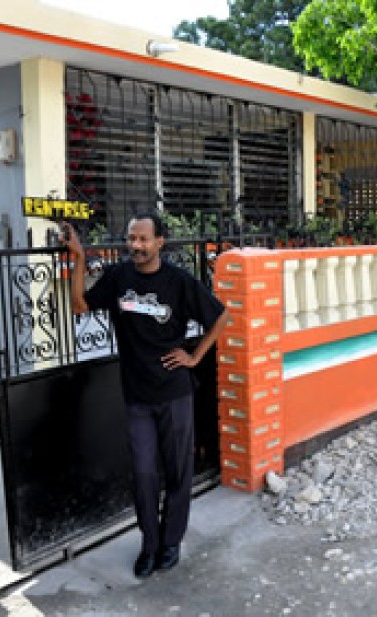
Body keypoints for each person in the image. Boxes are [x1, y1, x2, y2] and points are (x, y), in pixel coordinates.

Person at [60, 213, 230, 579]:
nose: (135, 246)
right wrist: (78, 258)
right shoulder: (119, 278)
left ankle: (171, 542)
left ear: (159, 243)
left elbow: (220, 316)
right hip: (137, 396)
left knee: (178, 471)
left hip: (175, 394)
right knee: (143, 474)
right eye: (131, 239)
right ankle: (149, 544)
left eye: (142, 239)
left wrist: (195, 356)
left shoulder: (179, 282)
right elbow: (79, 306)